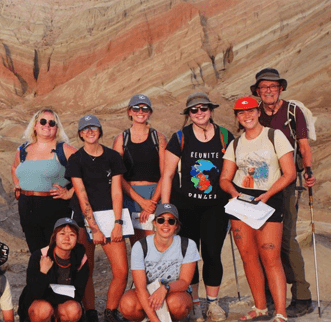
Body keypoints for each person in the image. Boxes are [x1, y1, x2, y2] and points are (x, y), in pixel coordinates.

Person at [159, 92, 234, 322]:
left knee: (212, 254)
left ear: (211, 110)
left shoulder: (224, 136)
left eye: (204, 108)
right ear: (189, 114)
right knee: (189, 257)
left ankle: (213, 304)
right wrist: (164, 207)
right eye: (194, 110)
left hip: (216, 207)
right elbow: (168, 174)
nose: (199, 113)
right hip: (186, 207)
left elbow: (232, 168)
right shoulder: (180, 137)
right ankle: (195, 304)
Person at [220, 96, 296, 322]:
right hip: (242, 199)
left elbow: (289, 173)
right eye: (242, 113)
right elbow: (225, 177)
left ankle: (280, 312)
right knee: (248, 255)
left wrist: (269, 194)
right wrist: (235, 194)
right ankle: (260, 307)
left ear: (258, 111)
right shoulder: (236, 143)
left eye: (251, 111)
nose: (247, 116)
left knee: (270, 254)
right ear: (237, 117)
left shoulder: (274, 136)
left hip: (269, 198)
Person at [250, 68, 316, 317]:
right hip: (260, 185)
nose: (268, 91)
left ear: (280, 89)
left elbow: (304, 144)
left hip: (286, 184)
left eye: (273, 87)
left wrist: (308, 170)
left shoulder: (292, 112)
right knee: (262, 241)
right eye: (264, 87)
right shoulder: (254, 112)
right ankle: (268, 296)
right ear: (258, 90)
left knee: (286, 239)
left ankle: (302, 296)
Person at [66, 114, 129, 322]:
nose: (89, 132)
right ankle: (91, 311)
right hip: (85, 219)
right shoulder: (76, 159)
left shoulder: (113, 157)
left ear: (100, 130)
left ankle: (110, 311)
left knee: (121, 270)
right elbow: (81, 194)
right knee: (87, 269)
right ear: (80, 134)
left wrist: (118, 223)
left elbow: (117, 192)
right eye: (85, 129)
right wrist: (94, 228)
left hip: (111, 215)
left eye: (93, 128)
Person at [119, 203, 200, 322]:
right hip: (146, 292)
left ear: (176, 225)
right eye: (161, 220)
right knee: (127, 305)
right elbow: (140, 288)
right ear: (154, 223)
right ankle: (148, 318)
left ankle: (171, 318)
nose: (165, 224)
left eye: (171, 221)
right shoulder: (140, 246)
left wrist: (165, 289)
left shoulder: (188, 245)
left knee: (177, 305)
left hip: (173, 291)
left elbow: (184, 282)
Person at [12, 108, 77, 253]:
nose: (47, 125)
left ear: (57, 128)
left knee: (56, 252)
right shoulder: (23, 150)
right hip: (26, 207)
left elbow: (87, 169)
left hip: (54, 206)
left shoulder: (64, 149)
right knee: (36, 253)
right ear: (35, 125)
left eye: (51, 123)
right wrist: (18, 185)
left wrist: (71, 192)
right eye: (43, 121)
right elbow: (14, 167)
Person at [113, 94, 167, 243]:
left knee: (156, 243)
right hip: (130, 196)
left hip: (155, 195)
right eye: (136, 108)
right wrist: (141, 202)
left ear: (149, 112)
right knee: (138, 246)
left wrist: (152, 203)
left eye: (145, 108)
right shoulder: (121, 140)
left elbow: (165, 174)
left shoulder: (159, 138)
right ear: (129, 112)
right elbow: (118, 177)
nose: (140, 112)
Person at [18, 218, 90, 322]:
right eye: (62, 234)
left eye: (72, 235)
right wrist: (43, 272)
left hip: (61, 306)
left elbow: (78, 295)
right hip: (38, 305)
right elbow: (34, 293)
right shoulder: (40, 256)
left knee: (73, 310)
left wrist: (51, 296)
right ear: (54, 237)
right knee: (44, 310)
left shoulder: (81, 259)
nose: (67, 238)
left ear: (77, 239)